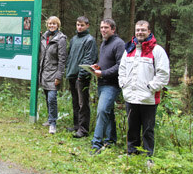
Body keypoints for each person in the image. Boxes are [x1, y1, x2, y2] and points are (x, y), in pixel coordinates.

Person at [118, 20, 170, 157]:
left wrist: (151, 87)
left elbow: (163, 74)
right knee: (132, 128)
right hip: (131, 96)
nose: (140, 32)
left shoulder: (157, 51)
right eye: (137, 30)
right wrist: (123, 84)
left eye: (143, 30)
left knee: (148, 130)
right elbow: (122, 69)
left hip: (148, 98)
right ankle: (132, 153)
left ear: (149, 31)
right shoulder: (129, 49)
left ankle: (148, 156)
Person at [90, 19, 125, 154]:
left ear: (113, 29)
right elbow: (107, 62)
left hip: (112, 85)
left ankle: (96, 144)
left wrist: (103, 72)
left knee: (102, 110)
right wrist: (97, 66)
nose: (103, 30)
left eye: (106, 28)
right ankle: (110, 140)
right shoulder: (104, 43)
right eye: (101, 27)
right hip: (102, 83)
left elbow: (120, 66)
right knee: (108, 113)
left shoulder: (119, 43)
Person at [66, 16, 98, 138]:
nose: (79, 27)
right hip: (72, 74)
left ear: (87, 26)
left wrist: (82, 75)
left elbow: (89, 59)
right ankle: (76, 126)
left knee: (82, 103)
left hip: (82, 76)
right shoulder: (74, 39)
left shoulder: (90, 40)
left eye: (82, 25)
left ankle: (83, 129)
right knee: (75, 102)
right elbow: (70, 56)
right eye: (78, 25)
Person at [39, 16, 67, 134]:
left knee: (52, 99)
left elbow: (62, 59)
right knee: (47, 97)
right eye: (50, 23)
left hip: (54, 73)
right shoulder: (44, 37)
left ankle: (53, 123)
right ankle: (50, 119)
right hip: (44, 72)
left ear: (58, 25)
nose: (52, 26)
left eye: (54, 24)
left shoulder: (61, 39)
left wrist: (59, 76)